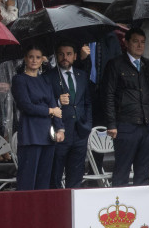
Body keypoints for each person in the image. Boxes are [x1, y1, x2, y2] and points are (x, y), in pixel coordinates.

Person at [103, 28, 149, 187]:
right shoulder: (115, 64)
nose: (140, 45)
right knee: (122, 170)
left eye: (143, 42)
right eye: (135, 41)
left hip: (146, 124)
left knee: (143, 172)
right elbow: (108, 95)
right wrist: (111, 124)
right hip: (125, 125)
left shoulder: (148, 65)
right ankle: (118, 208)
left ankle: (140, 209)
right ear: (126, 42)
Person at [11, 45, 64, 191]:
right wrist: (49, 111)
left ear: (42, 60)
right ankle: (24, 211)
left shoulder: (45, 80)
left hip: (48, 134)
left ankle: (41, 212)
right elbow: (26, 105)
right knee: (27, 179)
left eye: (38, 57)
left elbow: (55, 107)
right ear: (25, 59)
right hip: (30, 133)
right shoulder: (19, 79)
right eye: (31, 57)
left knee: (44, 180)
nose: (34, 60)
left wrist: (60, 128)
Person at [44, 42, 92, 189]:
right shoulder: (48, 77)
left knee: (76, 177)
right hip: (59, 133)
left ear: (75, 56)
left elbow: (87, 102)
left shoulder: (82, 75)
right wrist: (58, 101)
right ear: (56, 56)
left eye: (69, 54)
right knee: (55, 176)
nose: (65, 57)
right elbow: (44, 103)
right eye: (61, 54)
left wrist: (88, 124)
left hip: (80, 132)